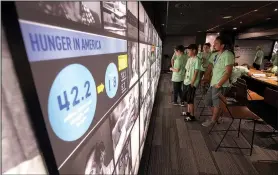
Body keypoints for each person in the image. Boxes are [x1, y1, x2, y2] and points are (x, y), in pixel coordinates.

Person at [201, 35, 235, 127]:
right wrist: (206, 78)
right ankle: (217, 118)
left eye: (216, 43)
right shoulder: (215, 54)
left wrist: (219, 84)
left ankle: (213, 121)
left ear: (223, 45)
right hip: (213, 83)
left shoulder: (228, 54)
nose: (214, 45)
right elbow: (210, 66)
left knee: (216, 104)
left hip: (220, 84)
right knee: (208, 101)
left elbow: (228, 72)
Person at [181, 44, 202, 121]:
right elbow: (187, 70)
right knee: (187, 98)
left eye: (189, 50)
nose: (188, 52)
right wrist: (184, 79)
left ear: (194, 50)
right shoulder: (189, 59)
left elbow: (196, 72)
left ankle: (192, 116)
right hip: (186, 81)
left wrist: (192, 82)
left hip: (191, 83)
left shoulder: (197, 60)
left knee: (190, 99)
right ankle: (188, 112)